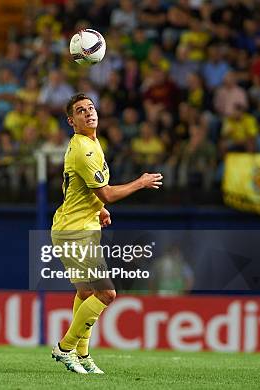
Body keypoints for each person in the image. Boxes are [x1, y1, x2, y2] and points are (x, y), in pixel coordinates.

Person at [50, 94, 163, 374]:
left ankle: (83, 355)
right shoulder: (84, 150)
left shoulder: (90, 143)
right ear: (71, 121)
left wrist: (97, 208)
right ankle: (65, 348)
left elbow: (73, 188)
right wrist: (140, 182)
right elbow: (109, 193)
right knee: (107, 293)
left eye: (91, 108)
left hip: (75, 228)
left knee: (87, 291)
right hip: (76, 233)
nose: (88, 113)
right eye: (80, 111)